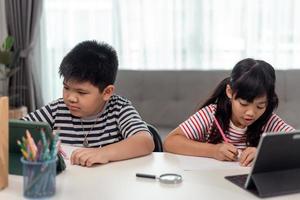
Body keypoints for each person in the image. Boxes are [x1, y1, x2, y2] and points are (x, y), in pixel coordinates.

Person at [23, 40, 154, 167]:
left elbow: (145, 141)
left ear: (107, 92)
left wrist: (103, 153)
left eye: (81, 92)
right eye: (66, 88)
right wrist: (40, 139)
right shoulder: (57, 109)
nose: (71, 98)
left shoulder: (119, 109)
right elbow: (17, 128)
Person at [163, 58, 294, 167]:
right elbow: (170, 142)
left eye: (260, 106)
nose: (251, 113)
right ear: (230, 92)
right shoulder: (212, 114)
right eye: (244, 104)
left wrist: (263, 154)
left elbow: (296, 143)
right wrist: (213, 150)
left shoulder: (268, 120)